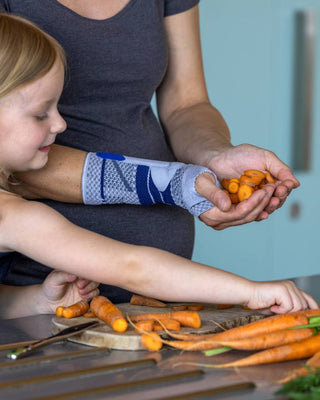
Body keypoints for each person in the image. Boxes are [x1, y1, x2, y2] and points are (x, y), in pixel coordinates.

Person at [0, 13, 317, 321]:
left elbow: (187, 102)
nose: (60, 123)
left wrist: (35, 300)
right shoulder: (15, 218)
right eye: (41, 113)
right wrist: (250, 291)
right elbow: (132, 268)